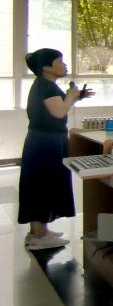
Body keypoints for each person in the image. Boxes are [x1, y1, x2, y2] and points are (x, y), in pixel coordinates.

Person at [19, 49, 94, 250]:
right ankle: (40, 237)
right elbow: (59, 112)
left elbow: (58, 106)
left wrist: (77, 97)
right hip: (46, 143)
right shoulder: (45, 86)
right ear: (46, 67)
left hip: (44, 140)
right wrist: (71, 96)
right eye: (60, 61)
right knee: (43, 185)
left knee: (41, 184)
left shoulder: (45, 85)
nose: (64, 64)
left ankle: (38, 232)